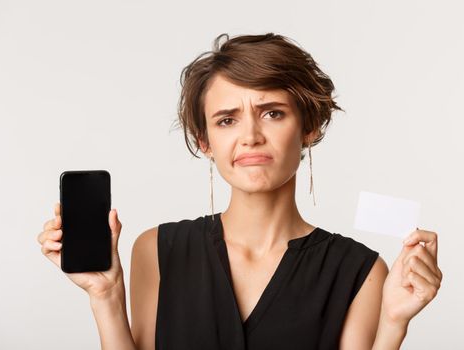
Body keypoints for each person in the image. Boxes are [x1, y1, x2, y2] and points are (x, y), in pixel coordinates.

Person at [37, 33, 442, 350]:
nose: (250, 136)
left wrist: (394, 324)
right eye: (227, 120)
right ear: (206, 141)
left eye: (272, 113)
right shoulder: (157, 250)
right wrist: (106, 297)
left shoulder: (360, 271)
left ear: (309, 127)